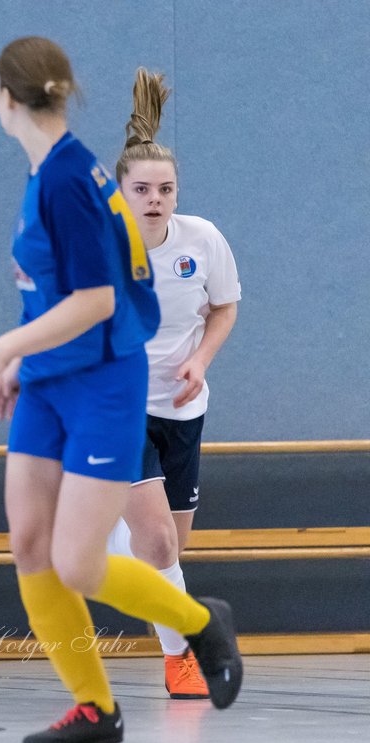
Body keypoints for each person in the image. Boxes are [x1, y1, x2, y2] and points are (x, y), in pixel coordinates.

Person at [0, 38, 242, 743]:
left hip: (105, 384)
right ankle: (95, 706)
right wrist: (26, 364)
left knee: (77, 561)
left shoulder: (69, 180)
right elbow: (54, 294)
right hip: (50, 381)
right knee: (29, 543)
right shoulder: (47, 171)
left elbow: (98, 300)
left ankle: (201, 623)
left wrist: (1, 350)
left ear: (4, 98)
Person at [106, 68, 242, 701]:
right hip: (120, 408)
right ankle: (182, 659)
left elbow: (224, 308)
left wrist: (200, 362)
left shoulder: (203, 240)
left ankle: (110, 531)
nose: (155, 198)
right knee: (157, 539)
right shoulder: (100, 249)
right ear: (121, 193)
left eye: (165, 188)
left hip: (183, 409)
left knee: (167, 551)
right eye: (142, 189)